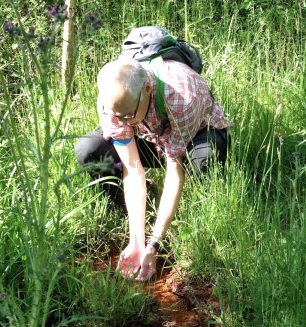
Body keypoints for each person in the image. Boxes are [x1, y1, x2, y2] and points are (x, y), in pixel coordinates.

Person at [75, 57, 233, 281]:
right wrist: (137, 242)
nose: (121, 121)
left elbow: (174, 170)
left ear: (148, 89)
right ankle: (144, 208)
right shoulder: (113, 103)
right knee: (88, 149)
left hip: (196, 134)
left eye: (127, 116)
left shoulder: (183, 97)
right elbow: (132, 169)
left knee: (204, 162)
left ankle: (202, 212)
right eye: (116, 116)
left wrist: (154, 243)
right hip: (151, 137)